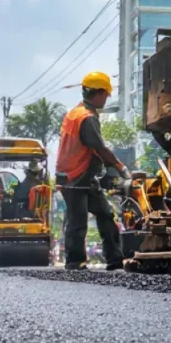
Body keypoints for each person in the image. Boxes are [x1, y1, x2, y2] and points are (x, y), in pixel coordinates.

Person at [55, 71, 128, 271]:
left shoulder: (76, 112)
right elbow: (98, 147)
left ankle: (115, 259)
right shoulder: (86, 117)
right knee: (77, 221)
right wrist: (120, 167)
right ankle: (74, 262)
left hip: (82, 175)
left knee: (105, 213)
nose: (107, 98)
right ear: (97, 93)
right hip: (75, 177)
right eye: (105, 94)